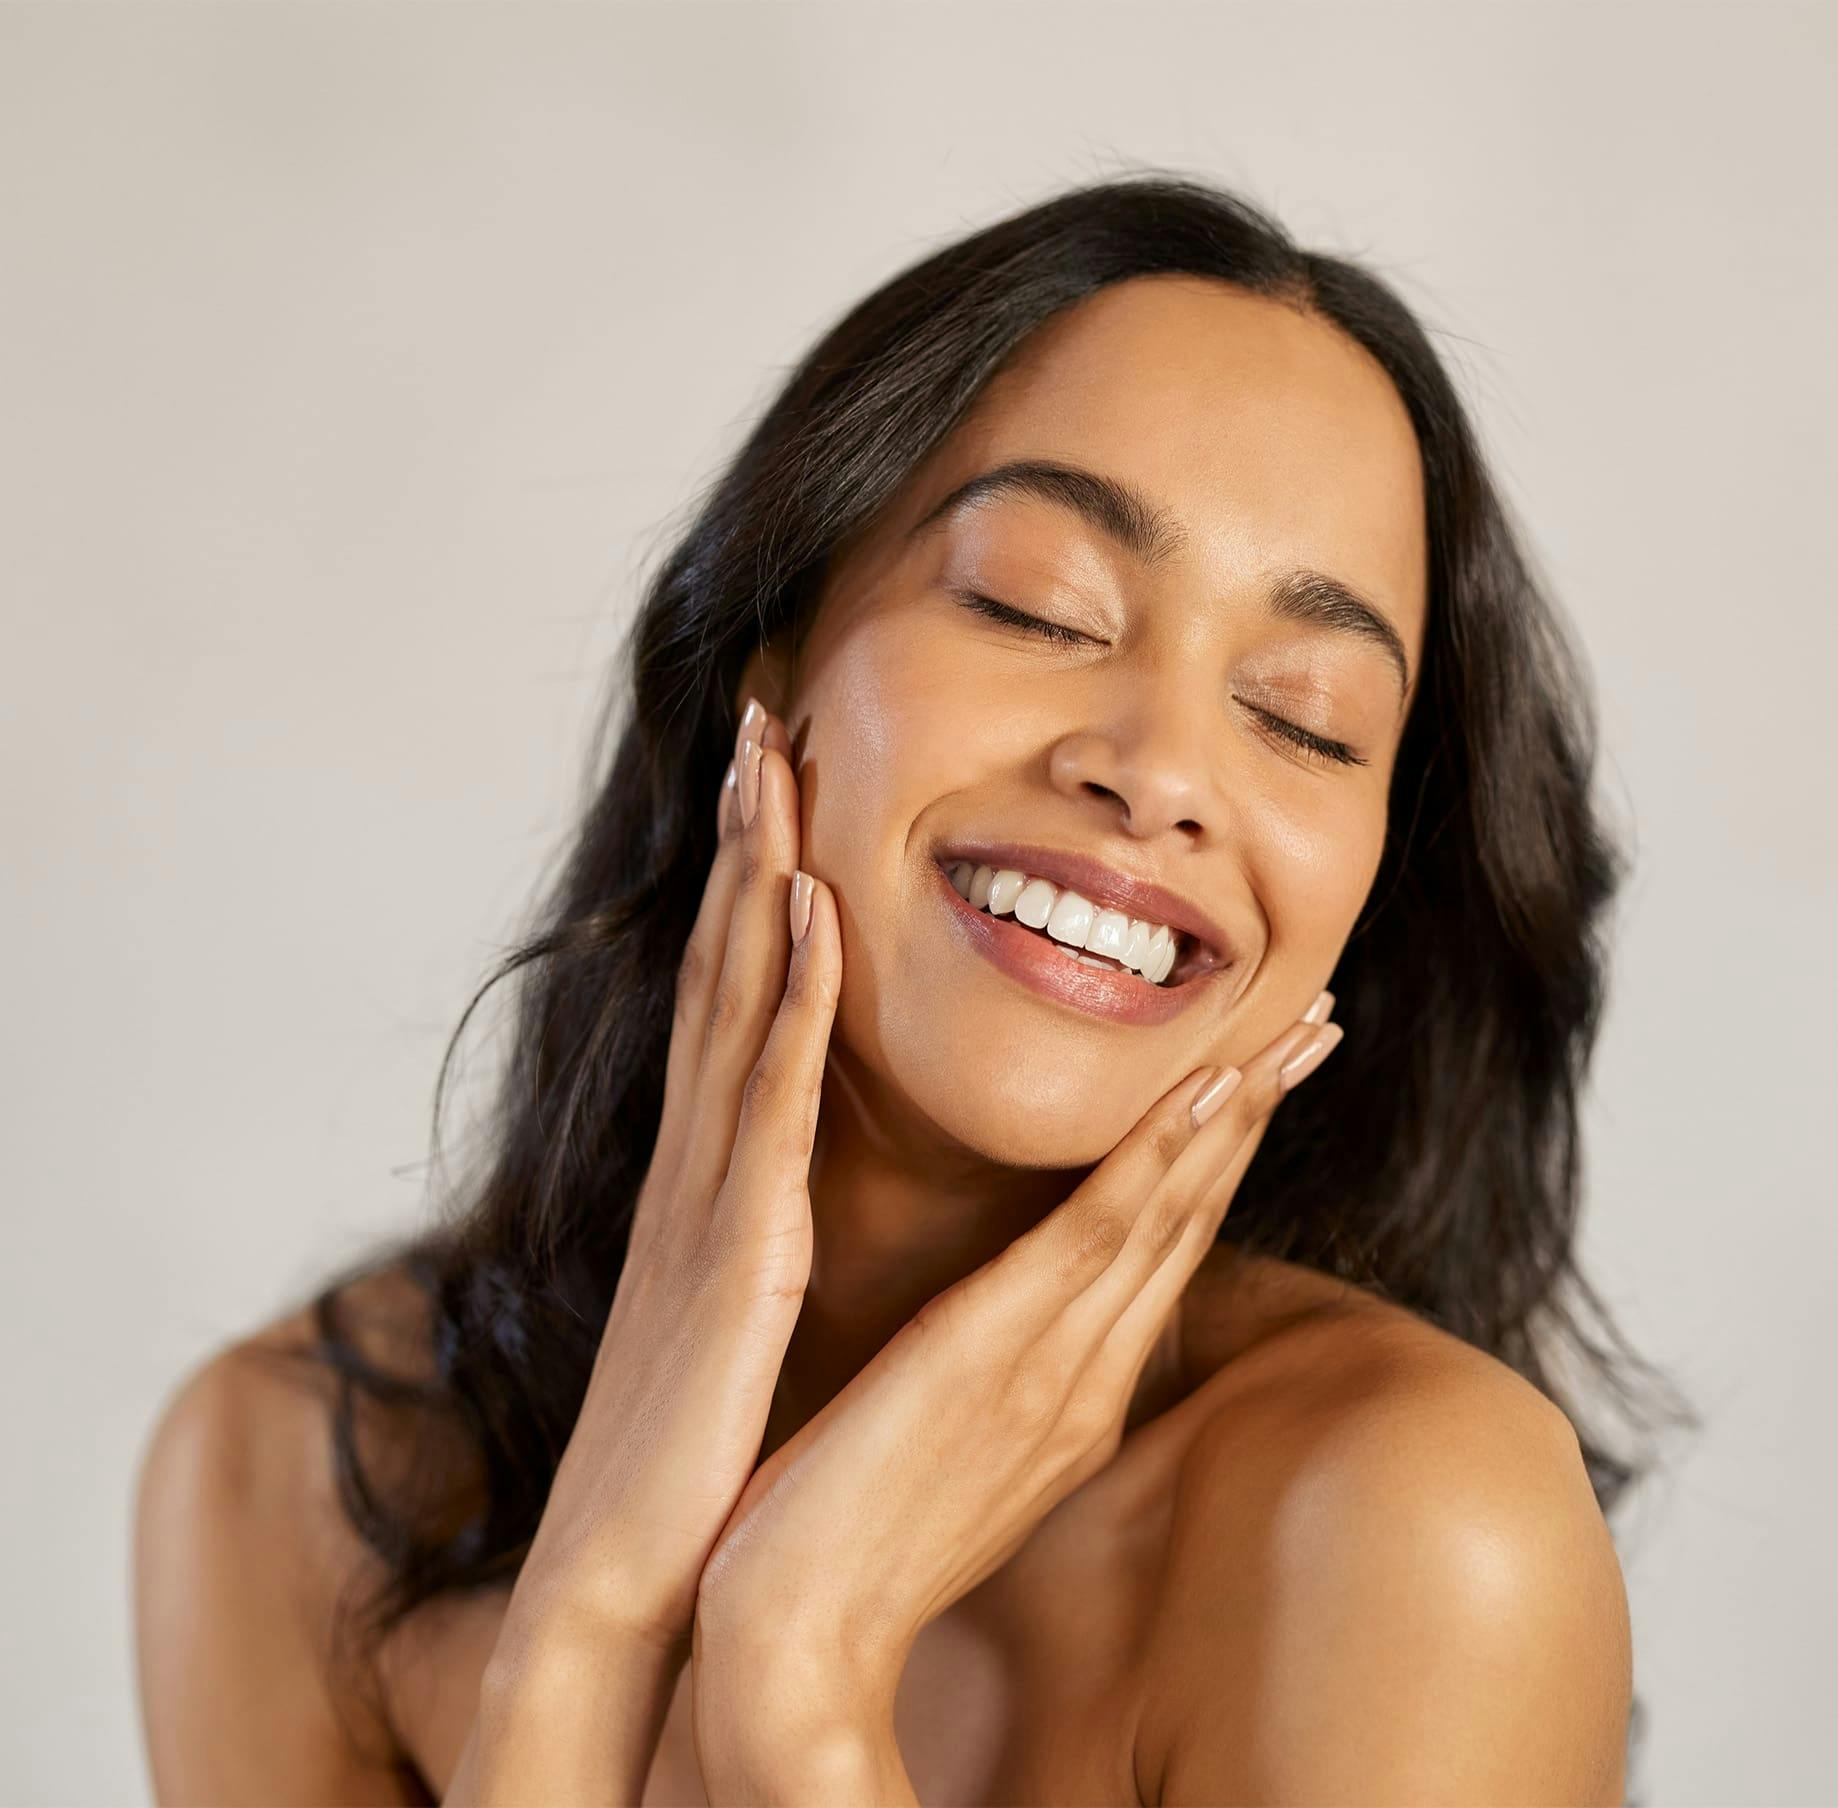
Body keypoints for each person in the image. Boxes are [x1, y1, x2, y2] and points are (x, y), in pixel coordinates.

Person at [132, 173, 1692, 1804]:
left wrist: (799, 1677)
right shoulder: (297, 1466)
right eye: (1034, 605)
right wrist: (586, 1630)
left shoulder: (1405, 1525)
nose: (1159, 773)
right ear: (771, 659)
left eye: (1302, 719)